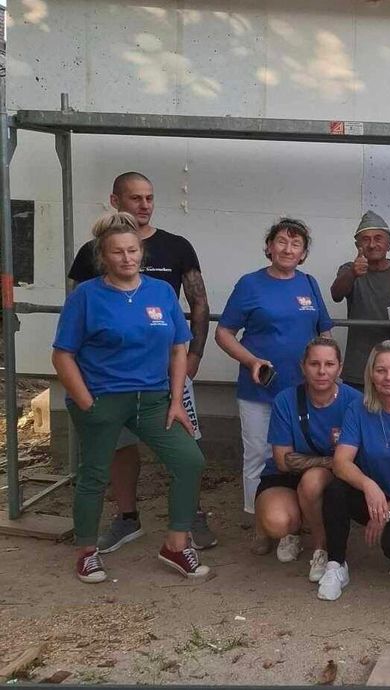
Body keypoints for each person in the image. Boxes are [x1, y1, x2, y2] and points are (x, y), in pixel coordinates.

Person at [52, 212, 208, 583]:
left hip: (153, 399)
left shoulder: (161, 293)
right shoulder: (86, 296)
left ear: (142, 252)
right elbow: (62, 355)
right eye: (118, 252)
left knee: (189, 461)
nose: (127, 258)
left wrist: (175, 400)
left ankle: (175, 543)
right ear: (104, 257)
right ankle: (87, 551)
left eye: (133, 250)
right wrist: (86, 402)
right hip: (102, 398)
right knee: (94, 474)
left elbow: (178, 348)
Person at [216, 218, 334, 518]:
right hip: (260, 390)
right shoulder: (250, 284)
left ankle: (295, 517)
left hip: (303, 392)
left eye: (296, 244)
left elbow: (324, 333)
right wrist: (250, 360)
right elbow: (224, 333)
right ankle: (259, 520)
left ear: (304, 253)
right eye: (281, 241)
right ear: (269, 247)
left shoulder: (308, 283)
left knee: (298, 455)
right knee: (259, 455)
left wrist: (328, 371)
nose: (288, 248)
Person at [318, 341, 390, 600]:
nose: (388, 377)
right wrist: (369, 486)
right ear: (371, 373)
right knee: (335, 489)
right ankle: (336, 565)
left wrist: (388, 511)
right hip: (374, 496)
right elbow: (341, 462)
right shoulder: (358, 408)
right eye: (381, 370)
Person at [256, 337, 362, 583]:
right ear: (303, 366)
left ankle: (321, 547)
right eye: (314, 364)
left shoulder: (355, 402)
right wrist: (331, 461)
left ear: (340, 367)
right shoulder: (286, 399)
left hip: (323, 478)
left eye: (329, 364)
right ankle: (291, 532)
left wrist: (330, 466)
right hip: (284, 478)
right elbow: (283, 461)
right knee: (277, 522)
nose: (322, 371)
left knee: (313, 481)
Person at [330, 211, 390, 391]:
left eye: (378, 238)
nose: (372, 244)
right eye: (365, 239)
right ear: (357, 245)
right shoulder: (349, 269)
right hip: (360, 366)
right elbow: (336, 294)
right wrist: (353, 273)